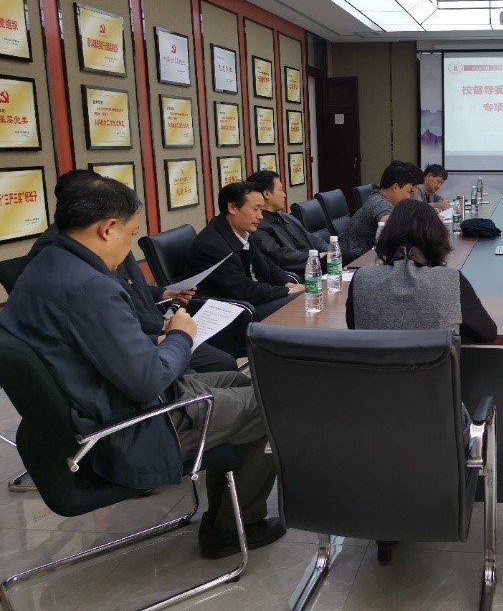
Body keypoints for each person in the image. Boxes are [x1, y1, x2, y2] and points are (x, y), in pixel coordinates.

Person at [0, 176, 283, 559]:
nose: (129, 247)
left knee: (239, 379)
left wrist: (154, 344)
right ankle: (232, 530)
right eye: (131, 234)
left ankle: (227, 514)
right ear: (108, 228)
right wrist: (180, 336)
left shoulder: (45, 267)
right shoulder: (91, 287)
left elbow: (89, 350)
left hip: (98, 408)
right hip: (135, 427)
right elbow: (148, 381)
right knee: (273, 406)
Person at [27, 170, 237, 373]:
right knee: (229, 376)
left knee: (229, 374)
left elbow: (131, 286)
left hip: (151, 334)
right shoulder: (80, 275)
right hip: (144, 346)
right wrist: (177, 337)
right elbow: (145, 374)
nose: (129, 242)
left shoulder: (92, 246)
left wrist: (164, 294)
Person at [346, 198, 496, 343]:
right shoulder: (451, 280)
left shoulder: (361, 279)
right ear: (437, 237)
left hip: (375, 362)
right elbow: (487, 332)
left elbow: (354, 327)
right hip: (436, 362)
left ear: (386, 235)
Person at [186, 181, 304, 321]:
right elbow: (243, 289)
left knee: (304, 296)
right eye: (255, 209)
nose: (260, 216)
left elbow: (264, 261)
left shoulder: (241, 231)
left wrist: (286, 282)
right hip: (232, 312)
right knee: (299, 301)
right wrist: (286, 291)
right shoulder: (211, 246)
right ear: (232, 207)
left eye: (261, 209)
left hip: (252, 301)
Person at [246, 170, 333, 274]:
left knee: (346, 254)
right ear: (267, 194)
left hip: (320, 265)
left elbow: (313, 240)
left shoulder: (287, 217)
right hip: (303, 273)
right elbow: (281, 257)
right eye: (280, 190)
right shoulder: (258, 226)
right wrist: (318, 257)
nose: (284, 195)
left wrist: (331, 251)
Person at [341, 163, 417, 261]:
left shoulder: (379, 196)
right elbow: (387, 221)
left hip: (366, 255)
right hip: (354, 258)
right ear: (395, 187)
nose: (409, 197)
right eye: (408, 191)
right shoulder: (379, 202)